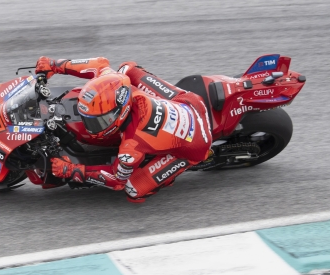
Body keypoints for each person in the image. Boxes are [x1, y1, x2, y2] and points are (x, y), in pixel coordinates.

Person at [35, 56, 212, 203]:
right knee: (126, 68)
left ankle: (169, 174)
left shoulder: (131, 148)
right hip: (188, 101)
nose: (89, 127)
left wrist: (73, 170)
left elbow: (116, 180)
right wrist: (55, 65)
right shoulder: (116, 82)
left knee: (133, 191)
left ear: (121, 112)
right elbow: (99, 64)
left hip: (196, 143)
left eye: (98, 121)